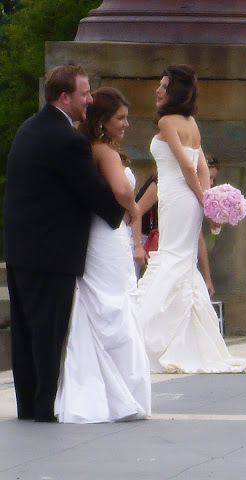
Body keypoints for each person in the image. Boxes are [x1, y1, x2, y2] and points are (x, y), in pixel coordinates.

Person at [3, 65, 126, 422]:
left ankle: (28, 406)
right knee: (48, 332)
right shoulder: (68, 140)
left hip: (21, 250)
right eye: (85, 93)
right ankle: (44, 409)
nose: (90, 100)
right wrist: (125, 210)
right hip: (53, 254)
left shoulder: (28, 129)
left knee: (25, 332)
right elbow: (95, 194)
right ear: (65, 97)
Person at [135, 64, 246, 373]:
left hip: (177, 197)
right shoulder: (191, 123)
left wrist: (206, 201)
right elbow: (203, 169)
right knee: (183, 262)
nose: (158, 90)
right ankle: (190, 339)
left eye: (164, 86)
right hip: (187, 200)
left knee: (174, 260)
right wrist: (208, 202)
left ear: (175, 92)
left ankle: (146, 333)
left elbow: (189, 168)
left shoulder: (166, 122)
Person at [54, 87, 151, 423]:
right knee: (114, 303)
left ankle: (103, 392)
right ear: (103, 121)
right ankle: (121, 392)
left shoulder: (88, 148)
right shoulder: (104, 150)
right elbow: (123, 190)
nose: (126, 124)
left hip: (99, 235)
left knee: (99, 305)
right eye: (120, 118)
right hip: (107, 238)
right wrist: (135, 208)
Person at [132, 155, 219, 295]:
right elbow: (136, 211)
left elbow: (198, 236)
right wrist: (138, 246)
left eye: (213, 179)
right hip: (143, 237)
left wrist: (207, 279)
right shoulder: (167, 181)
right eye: (208, 177)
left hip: (173, 248)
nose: (211, 183)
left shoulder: (197, 195)